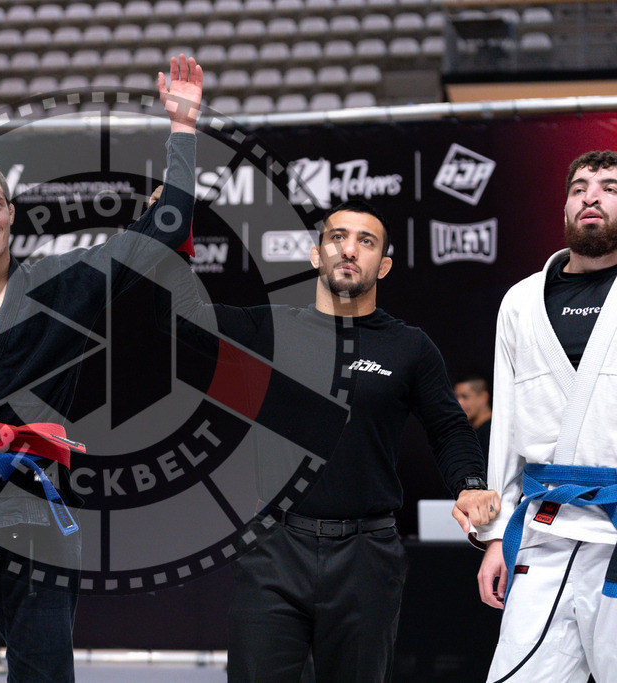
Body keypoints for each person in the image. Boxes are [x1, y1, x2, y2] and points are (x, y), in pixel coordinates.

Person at [0, 55, 201, 682]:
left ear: (12, 215)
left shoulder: (60, 286)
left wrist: (181, 130)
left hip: (39, 524)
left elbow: (164, 229)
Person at [158, 199, 500, 681]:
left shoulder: (410, 347)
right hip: (274, 549)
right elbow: (177, 316)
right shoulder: (270, 329)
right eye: (337, 237)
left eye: (366, 241)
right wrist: (166, 232)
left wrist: (469, 482)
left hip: (367, 555)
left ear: (383, 265)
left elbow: (449, 428)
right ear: (316, 254)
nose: (349, 249)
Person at [475, 150, 617, 681]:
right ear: (565, 206)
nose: (592, 196)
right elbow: (505, 425)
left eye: (609, 187)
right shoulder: (520, 302)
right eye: (579, 187)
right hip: (544, 529)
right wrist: (493, 537)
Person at [454, 373, 492, 461]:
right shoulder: (472, 434)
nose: (459, 403)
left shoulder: (494, 433)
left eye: (465, 397)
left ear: (483, 397)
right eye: (456, 397)